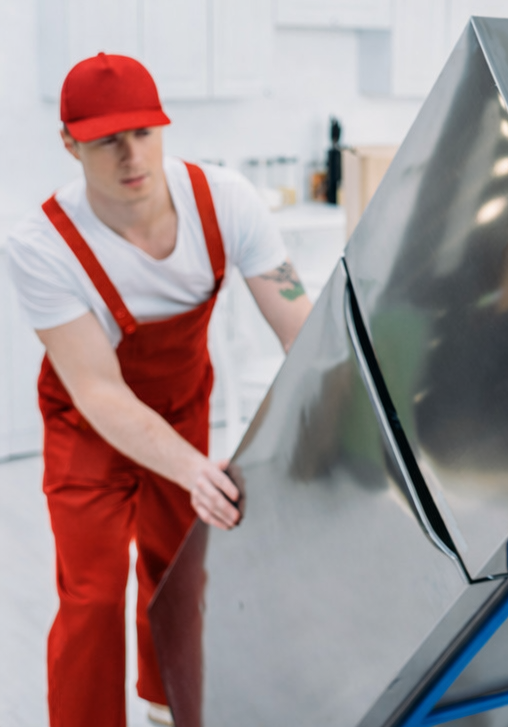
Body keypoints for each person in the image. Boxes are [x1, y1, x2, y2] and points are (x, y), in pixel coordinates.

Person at [8, 53, 314, 727]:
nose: (131, 155)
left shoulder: (223, 200)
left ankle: (167, 702)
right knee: (91, 595)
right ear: (70, 144)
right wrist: (192, 469)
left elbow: (300, 321)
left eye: (144, 132)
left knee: (176, 576)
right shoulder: (41, 245)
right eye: (106, 140)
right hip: (88, 429)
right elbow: (98, 390)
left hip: (182, 407)